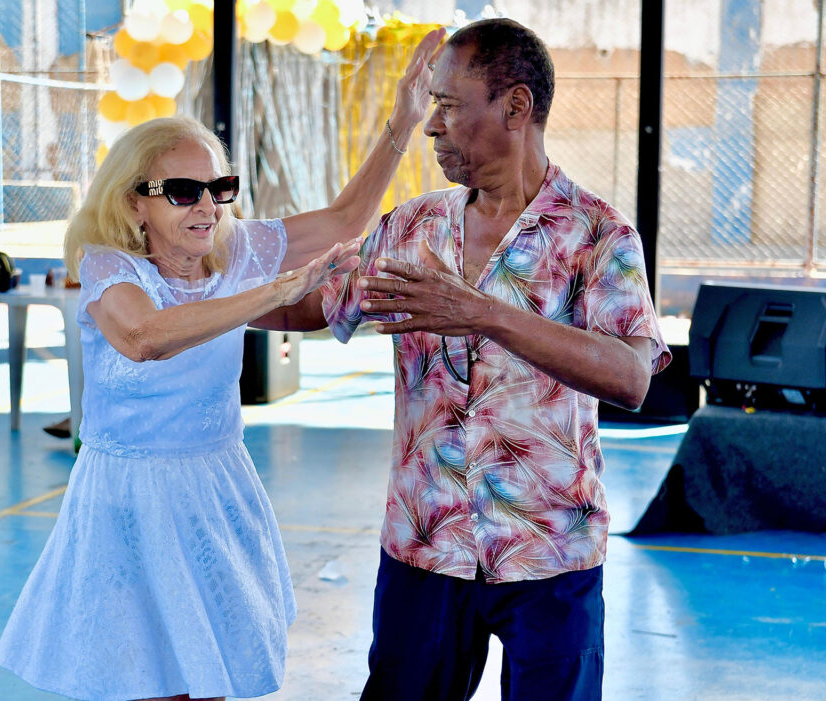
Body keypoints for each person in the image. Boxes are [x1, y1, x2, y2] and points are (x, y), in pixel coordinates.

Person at [0, 28, 444, 701]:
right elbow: (145, 337)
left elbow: (349, 216)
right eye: (183, 190)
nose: (207, 205)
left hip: (215, 485)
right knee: (148, 679)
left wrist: (403, 121)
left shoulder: (235, 251)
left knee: (209, 675)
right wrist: (271, 291)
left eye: (217, 187)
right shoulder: (108, 265)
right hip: (130, 497)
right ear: (133, 200)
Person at [261, 18, 671, 700]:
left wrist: (482, 312)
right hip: (426, 544)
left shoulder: (599, 235)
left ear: (515, 106)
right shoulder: (412, 228)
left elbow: (630, 376)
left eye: (448, 106)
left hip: (548, 549)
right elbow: (306, 304)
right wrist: (189, 290)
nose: (431, 126)